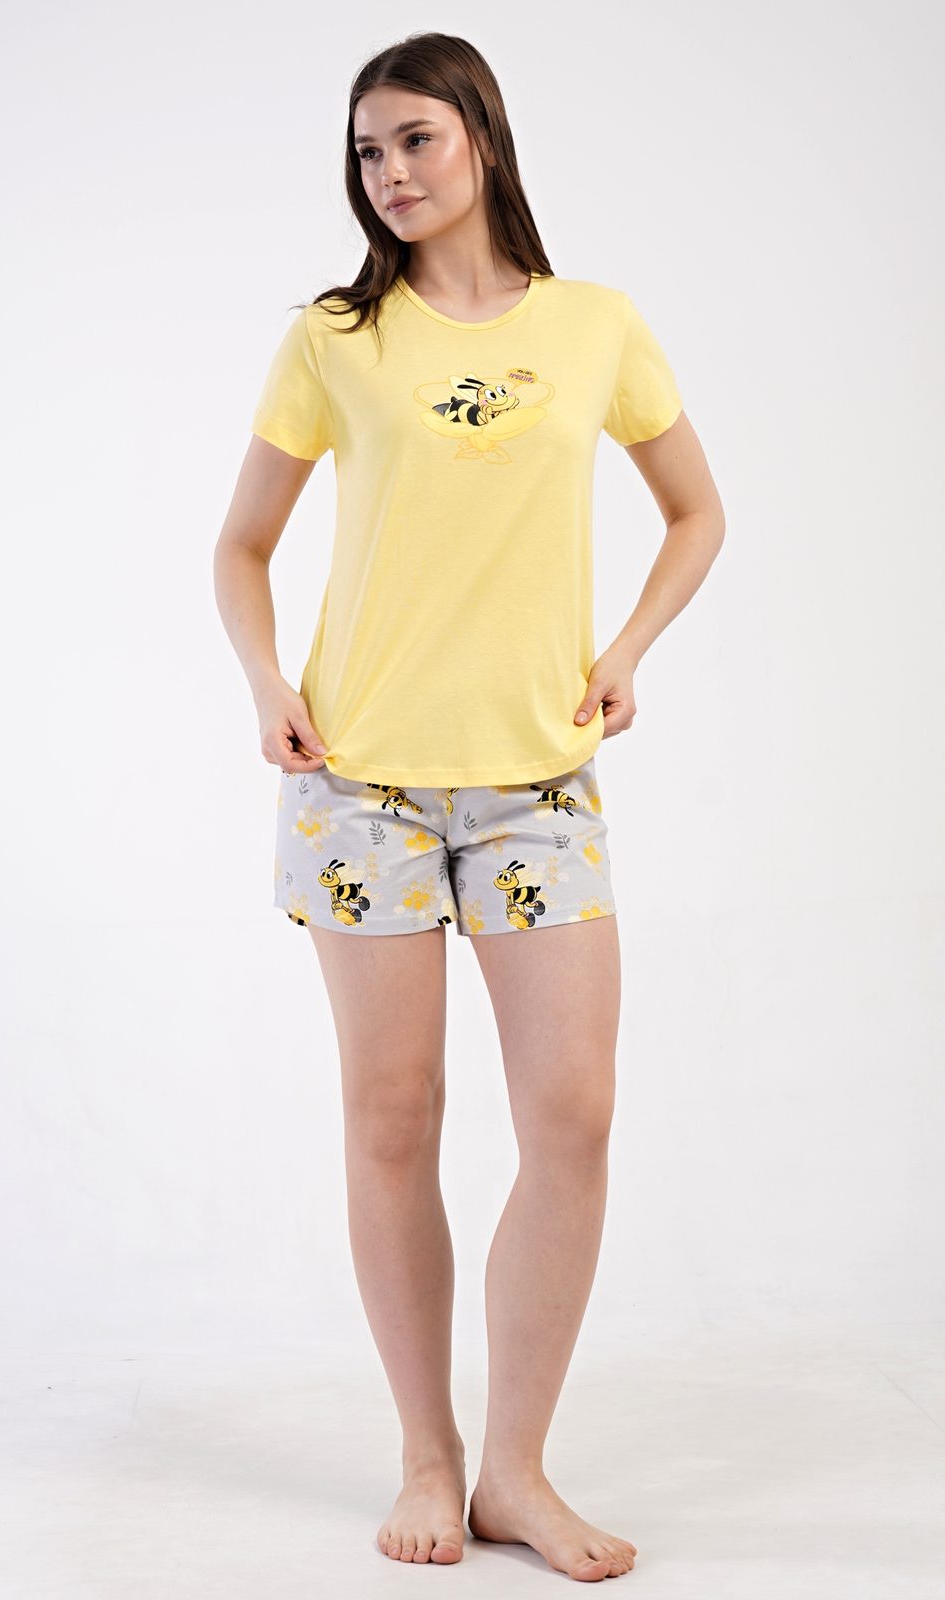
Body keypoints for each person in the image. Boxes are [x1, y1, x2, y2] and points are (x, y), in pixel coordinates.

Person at [214, 29, 725, 1584]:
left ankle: (516, 1469)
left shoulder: (595, 325)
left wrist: (626, 652)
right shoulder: (334, 339)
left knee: (573, 1116)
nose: (390, 172)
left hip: (536, 788)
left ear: (483, 138)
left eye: (416, 139)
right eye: (368, 150)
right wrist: (267, 682)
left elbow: (697, 511)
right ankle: (428, 1454)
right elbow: (241, 545)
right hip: (357, 783)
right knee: (394, 1115)